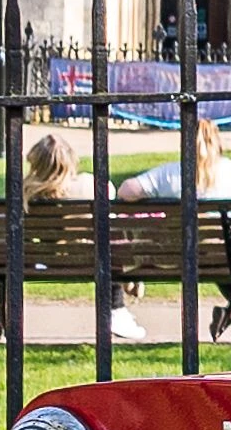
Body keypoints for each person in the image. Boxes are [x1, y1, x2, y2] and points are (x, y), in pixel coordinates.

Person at [20, 132, 144, 339]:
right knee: (107, 245)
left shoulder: (24, 193)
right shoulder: (90, 185)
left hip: (44, 261)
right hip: (89, 259)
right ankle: (116, 309)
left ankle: (4, 323)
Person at [115, 114, 231, 203]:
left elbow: (125, 191)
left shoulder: (170, 174)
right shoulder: (229, 169)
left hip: (178, 241)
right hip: (227, 240)